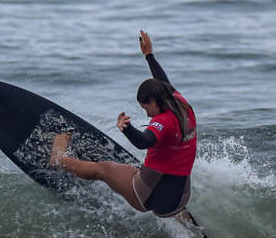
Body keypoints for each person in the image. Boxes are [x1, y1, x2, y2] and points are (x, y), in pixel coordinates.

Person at [49, 31, 197, 218]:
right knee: (133, 170)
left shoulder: (163, 121)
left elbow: (145, 141)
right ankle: (180, 217)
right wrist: (149, 55)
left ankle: (58, 159)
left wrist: (126, 128)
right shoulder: (183, 105)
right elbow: (163, 82)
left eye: (146, 107)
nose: (147, 113)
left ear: (153, 100)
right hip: (180, 198)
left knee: (103, 169)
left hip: (149, 197)